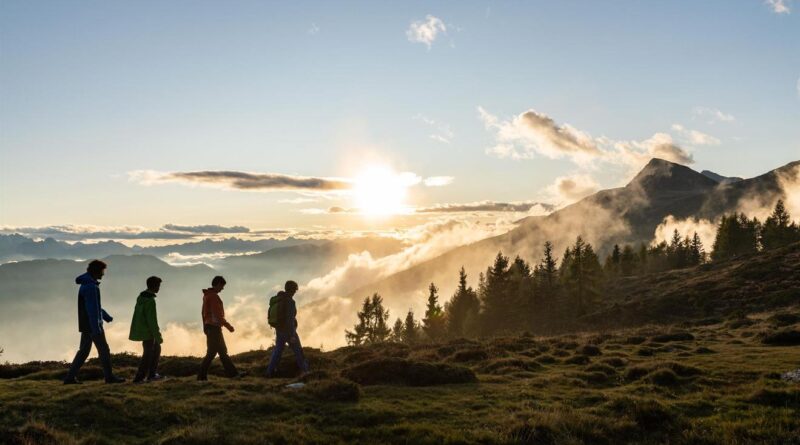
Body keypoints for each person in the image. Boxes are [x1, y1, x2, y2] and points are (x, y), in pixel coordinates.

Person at [64, 260, 125, 384]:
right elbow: (92, 309)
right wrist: (97, 327)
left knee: (84, 351)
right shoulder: (91, 287)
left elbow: (94, 306)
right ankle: (109, 377)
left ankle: (70, 378)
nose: (103, 274)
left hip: (86, 325)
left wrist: (106, 316)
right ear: (97, 271)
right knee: (104, 351)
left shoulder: (87, 284)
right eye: (102, 271)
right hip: (93, 325)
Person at [197, 276, 245, 380]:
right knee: (213, 353)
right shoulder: (213, 296)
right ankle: (201, 376)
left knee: (221, 351)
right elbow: (217, 315)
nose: (222, 289)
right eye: (222, 286)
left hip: (210, 326)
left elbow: (203, 313)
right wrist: (228, 326)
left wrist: (205, 326)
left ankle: (233, 374)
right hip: (214, 327)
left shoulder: (207, 295)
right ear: (218, 284)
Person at [266, 280, 309, 377]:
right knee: (298, 351)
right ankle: (306, 372)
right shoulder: (290, 301)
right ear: (292, 290)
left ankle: (269, 372)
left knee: (278, 351)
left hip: (279, 330)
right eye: (295, 290)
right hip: (289, 331)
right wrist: (292, 335)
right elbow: (289, 320)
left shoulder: (279, 299)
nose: (295, 292)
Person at [129, 276, 165, 383]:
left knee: (153, 351)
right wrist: (158, 336)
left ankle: (150, 374)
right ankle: (142, 377)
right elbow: (152, 321)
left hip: (142, 330)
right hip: (148, 332)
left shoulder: (141, 298)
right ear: (154, 286)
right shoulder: (150, 301)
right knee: (149, 354)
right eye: (158, 286)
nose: (159, 288)